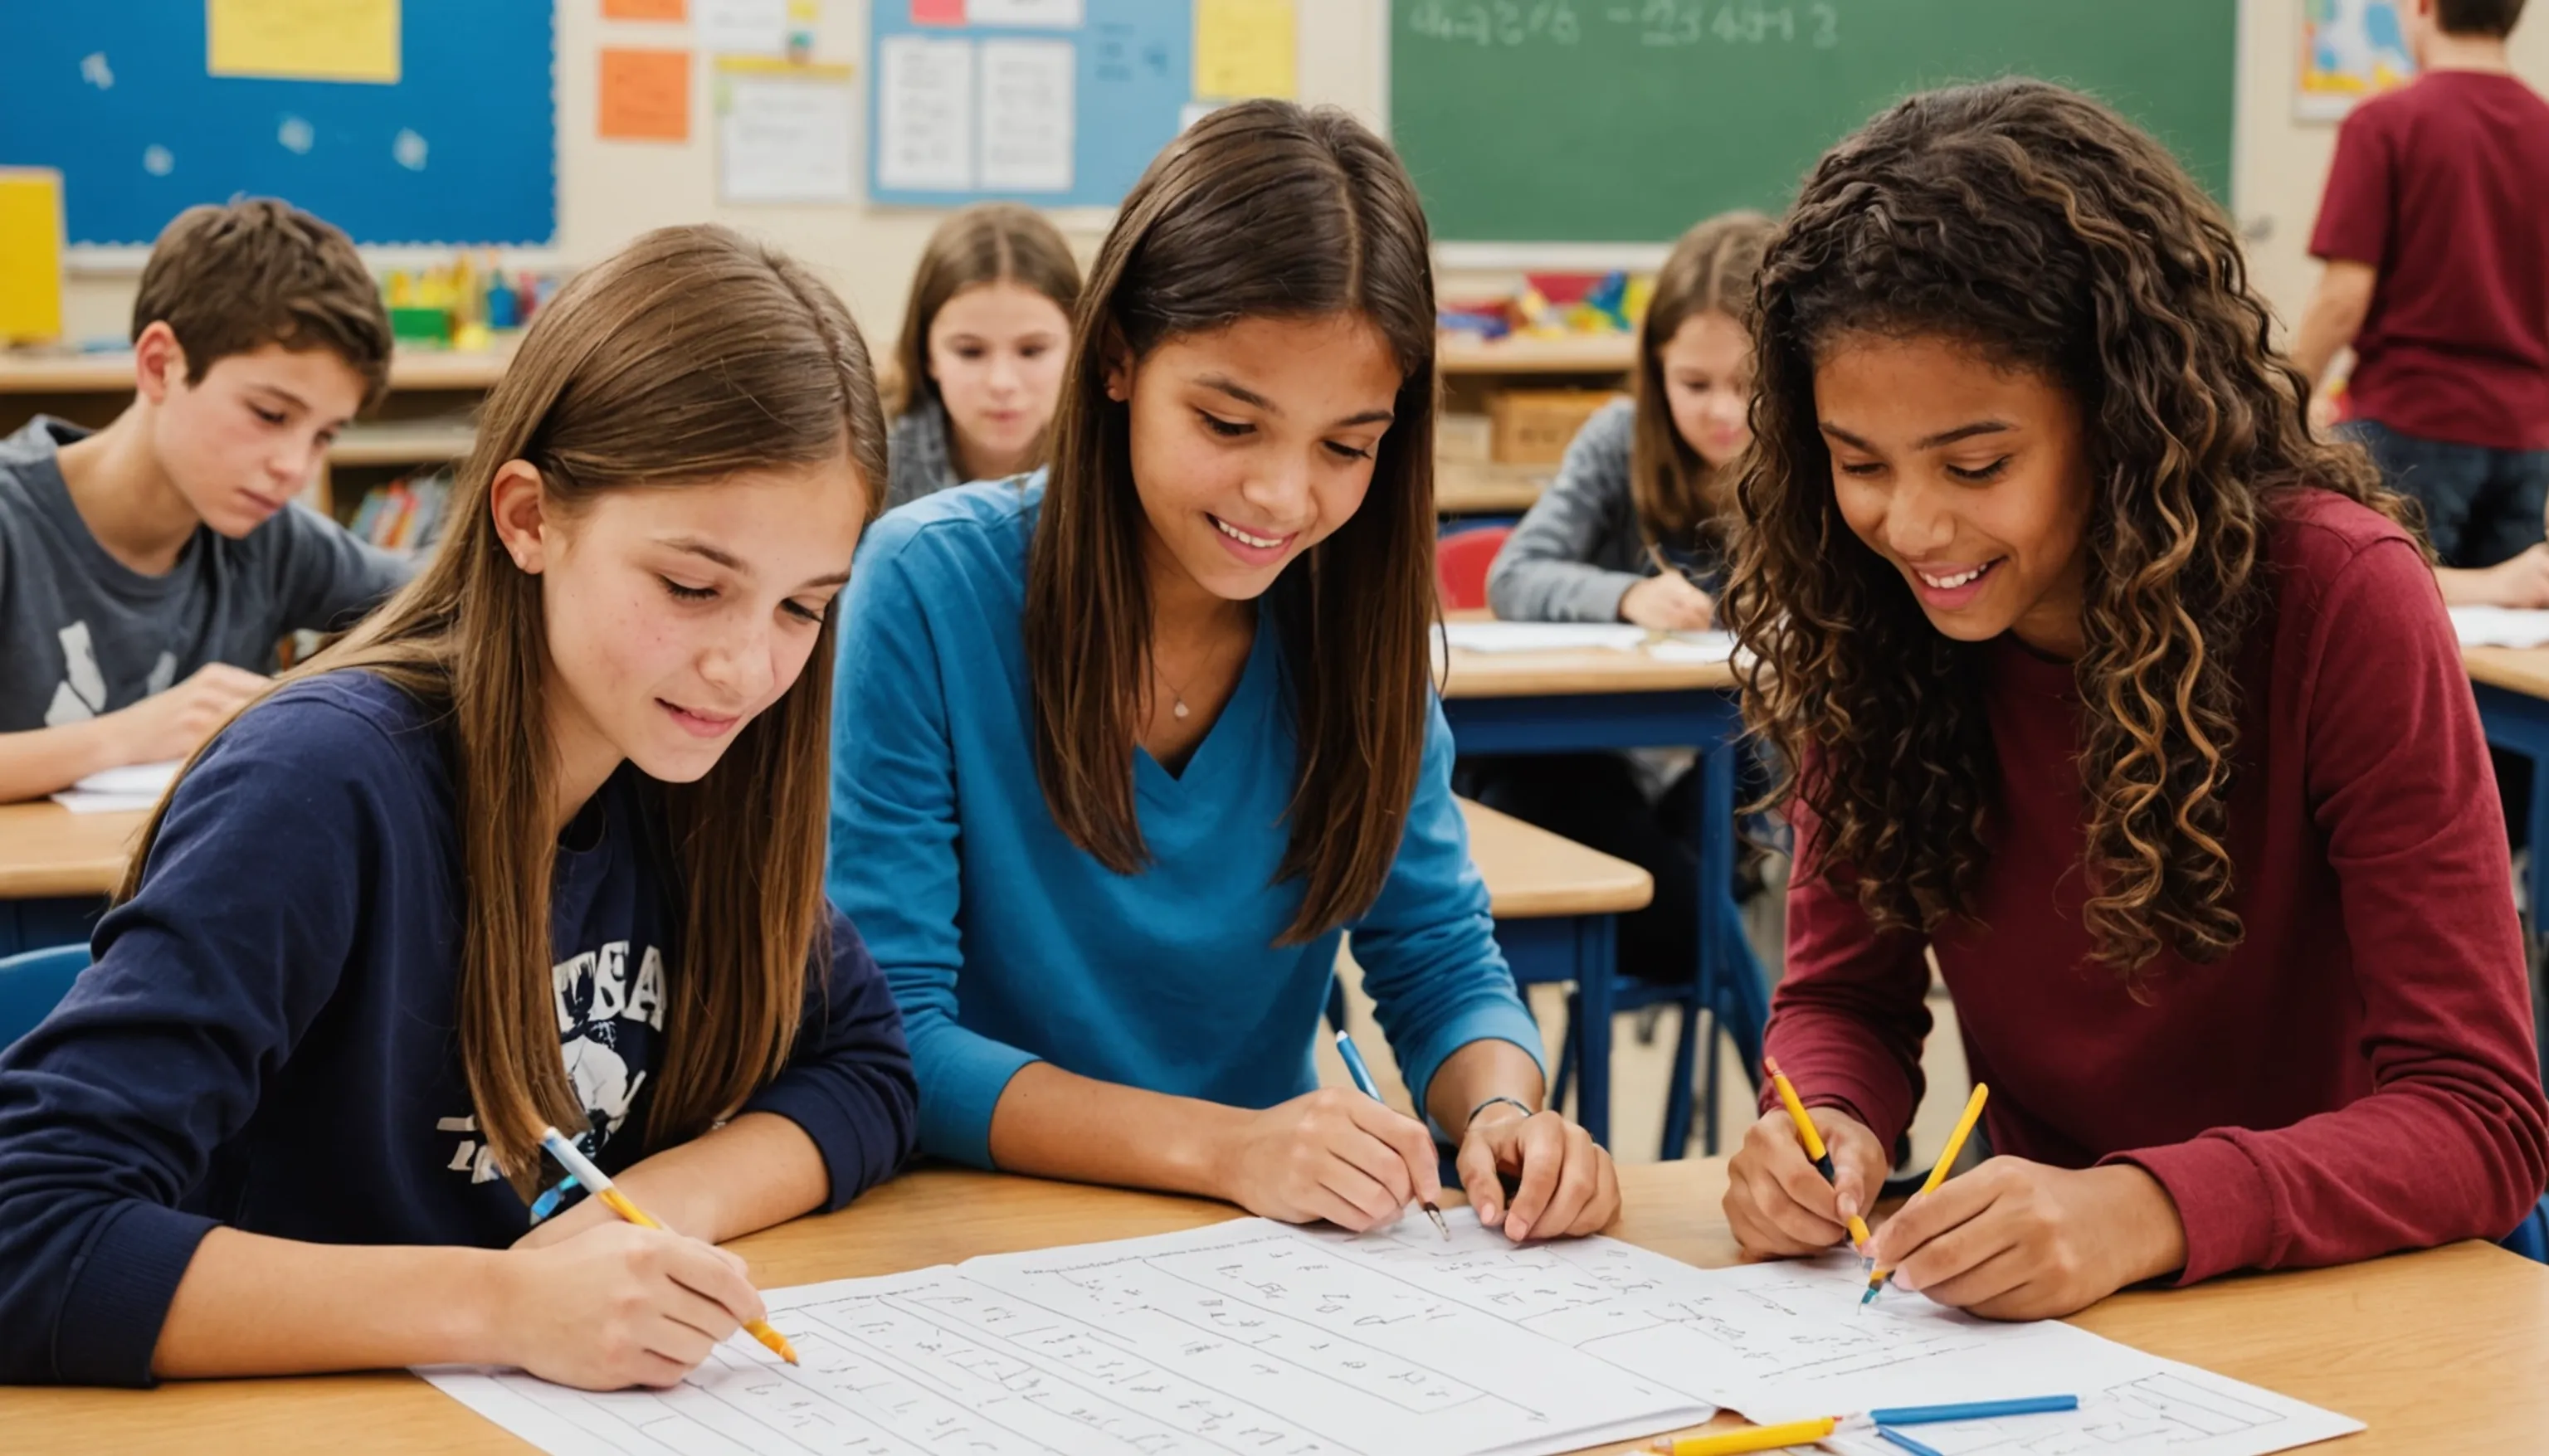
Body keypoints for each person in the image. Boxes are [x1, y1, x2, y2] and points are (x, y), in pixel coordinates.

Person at [0, 225, 919, 1388]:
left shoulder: (699, 768)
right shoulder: (321, 782)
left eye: (802, 608)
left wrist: (640, 1211)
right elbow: (25, 1231)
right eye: (693, 586)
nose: (747, 668)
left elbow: (868, 1067)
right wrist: (502, 1302)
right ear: (529, 517)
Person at [1718, 80, 2549, 1321]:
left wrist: (2141, 1205)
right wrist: (1821, 1120)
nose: (1915, 522)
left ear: (2123, 417)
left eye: (1978, 462)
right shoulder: (1877, 611)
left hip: (2367, 1292)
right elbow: (1845, 994)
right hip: (2070, 1313)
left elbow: (2479, 1118)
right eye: (1858, 463)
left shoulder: (2338, 596)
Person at [831, 101, 1620, 1244]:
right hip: (969, 1233)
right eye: (1229, 422)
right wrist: (1227, 1144)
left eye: (1346, 445)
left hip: (1256, 1252)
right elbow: (897, 1029)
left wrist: (1502, 1107)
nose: (1284, 496)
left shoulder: (1355, 624)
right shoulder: (927, 586)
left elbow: (1439, 954)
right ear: (1117, 361)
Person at [0, 199, 411, 803]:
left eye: (324, 434)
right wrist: (131, 735)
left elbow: (455, 601)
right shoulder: (13, 521)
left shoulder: (270, 536)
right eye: (269, 414)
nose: (295, 468)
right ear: (161, 365)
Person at [1469, 211, 1775, 986]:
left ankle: (1724, 975)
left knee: (1735, 832)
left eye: (1748, 385)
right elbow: (1514, 575)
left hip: (1729, 770)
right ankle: (1722, 977)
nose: (1720, 412)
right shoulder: (1620, 440)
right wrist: (1624, 596)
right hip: (1598, 764)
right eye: (1694, 384)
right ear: (1656, 367)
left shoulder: (1808, 464)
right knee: (1539, 793)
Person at [2292, 0, 2549, 609]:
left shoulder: (2385, 122)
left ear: (2424, 7)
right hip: (2525, 439)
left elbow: (2343, 298)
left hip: (2410, 427)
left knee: (2383, 613)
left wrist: (2281, 397)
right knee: (2502, 651)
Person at [884, 202, 1081, 509]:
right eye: (970, 352)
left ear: (1077, 345)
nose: (1001, 383)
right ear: (926, 353)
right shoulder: (869, 465)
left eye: (1032, 351)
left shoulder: (1124, 459)